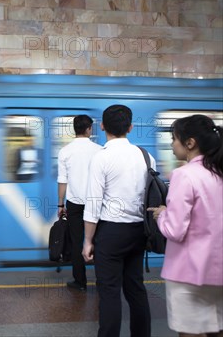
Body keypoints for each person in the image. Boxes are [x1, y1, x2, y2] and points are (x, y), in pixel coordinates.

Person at [148, 115, 223, 337]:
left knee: (191, 332)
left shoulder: (184, 175)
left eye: (174, 139)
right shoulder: (219, 172)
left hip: (189, 272)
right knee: (217, 329)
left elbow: (174, 230)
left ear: (190, 143)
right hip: (219, 268)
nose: (171, 145)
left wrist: (162, 215)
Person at [82, 105, 152, 337]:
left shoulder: (101, 158)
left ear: (102, 126)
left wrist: (87, 241)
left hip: (111, 233)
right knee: (135, 288)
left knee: (110, 291)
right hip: (139, 231)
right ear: (130, 127)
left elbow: (93, 203)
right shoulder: (146, 156)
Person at [57, 115, 101, 292]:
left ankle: (80, 282)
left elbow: (62, 181)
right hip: (96, 202)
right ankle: (102, 281)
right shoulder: (100, 150)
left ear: (74, 129)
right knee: (97, 241)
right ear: (89, 129)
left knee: (77, 242)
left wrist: (61, 205)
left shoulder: (65, 151)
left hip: (74, 203)